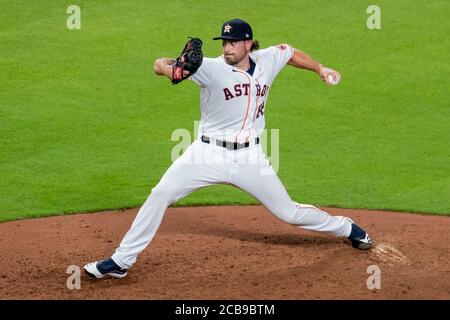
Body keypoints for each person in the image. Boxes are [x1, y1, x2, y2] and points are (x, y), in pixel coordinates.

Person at [84, 18, 372, 279]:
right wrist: (169, 67)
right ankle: (121, 261)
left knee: (289, 213)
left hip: (250, 157)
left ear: (248, 43)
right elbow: (160, 65)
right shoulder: (208, 68)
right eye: (223, 42)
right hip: (206, 154)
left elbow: (290, 52)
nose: (226, 48)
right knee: (161, 193)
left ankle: (346, 228)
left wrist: (319, 69)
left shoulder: (267, 59)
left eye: (232, 42)